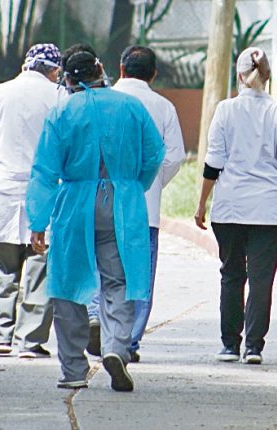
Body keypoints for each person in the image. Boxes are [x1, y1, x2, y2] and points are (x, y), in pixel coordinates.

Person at [26, 50, 164, 391]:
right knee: (119, 281)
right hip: (122, 203)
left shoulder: (62, 112)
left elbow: (44, 170)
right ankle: (116, 346)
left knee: (69, 285)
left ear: (68, 80)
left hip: (75, 203)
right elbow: (155, 154)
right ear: (101, 69)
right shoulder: (131, 106)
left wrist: (38, 220)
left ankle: (73, 368)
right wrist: (133, 186)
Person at [194, 47, 277, 365]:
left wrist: (202, 203)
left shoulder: (225, 110)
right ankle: (254, 347)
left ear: (239, 75)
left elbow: (213, 161)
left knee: (231, 275)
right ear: (267, 76)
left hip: (230, 207)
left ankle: (230, 345)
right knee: (261, 279)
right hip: (268, 209)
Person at [85, 45, 186, 362]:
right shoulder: (163, 106)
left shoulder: (99, 101)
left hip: (97, 198)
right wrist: (148, 185)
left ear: (120, 67)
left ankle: (97, 320)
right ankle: (126, 341)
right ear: (154, 74)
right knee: (138, 273)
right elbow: (173, 157)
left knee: (101, 266)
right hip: (143, 207)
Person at [0, 43, 63, 359]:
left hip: (2, 192)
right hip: (47, 192)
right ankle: (31, 339)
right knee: (40, 266)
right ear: (54, 70)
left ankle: (0, 336)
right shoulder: (58, 97)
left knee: (3, 266)